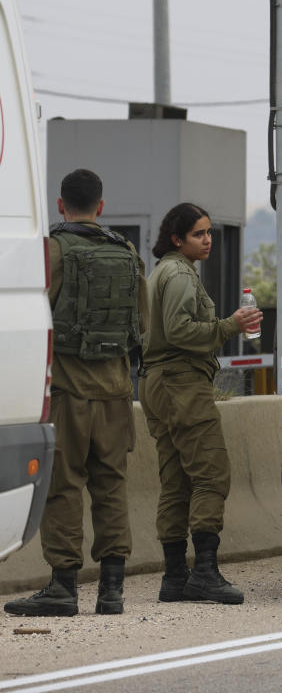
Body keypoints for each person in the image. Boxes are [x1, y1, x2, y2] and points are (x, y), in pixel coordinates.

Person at [4, 170, 147, 617]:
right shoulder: (127, 253)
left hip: (67, 392)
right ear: (101, 207)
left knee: (64, 487)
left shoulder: (52, 251)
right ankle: (112, 590)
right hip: (116, 393)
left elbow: (33, 314)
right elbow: (142, 326)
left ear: (61, 205)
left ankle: (63, 587)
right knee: (111, 486)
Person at [139, 203, 262, 604]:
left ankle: (175, 576)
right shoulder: (178, 275)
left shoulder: (164, 271)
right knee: (211, 475)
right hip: (181, 382)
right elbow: (178, 331)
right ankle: (205, 573)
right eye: (199, 234)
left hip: (159, 382)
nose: (208, 240)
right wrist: (231, 325)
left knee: (176, 480)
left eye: (209, 232)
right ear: (177, 239)